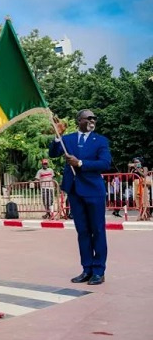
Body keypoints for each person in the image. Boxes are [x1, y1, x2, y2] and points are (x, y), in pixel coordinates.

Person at [50, 110, 111, 285]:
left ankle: (99, 270)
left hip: (94, 191)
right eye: (89, 118)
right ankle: (87, 269)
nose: (93, 120)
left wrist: (81, 163)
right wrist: (57, 135)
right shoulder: (67, 139)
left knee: (98, 231)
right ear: (79, 121)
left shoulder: (100, 141)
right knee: (83, 232)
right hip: (75, 191)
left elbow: (105, 163)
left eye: (94, 118)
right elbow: (53, 153)